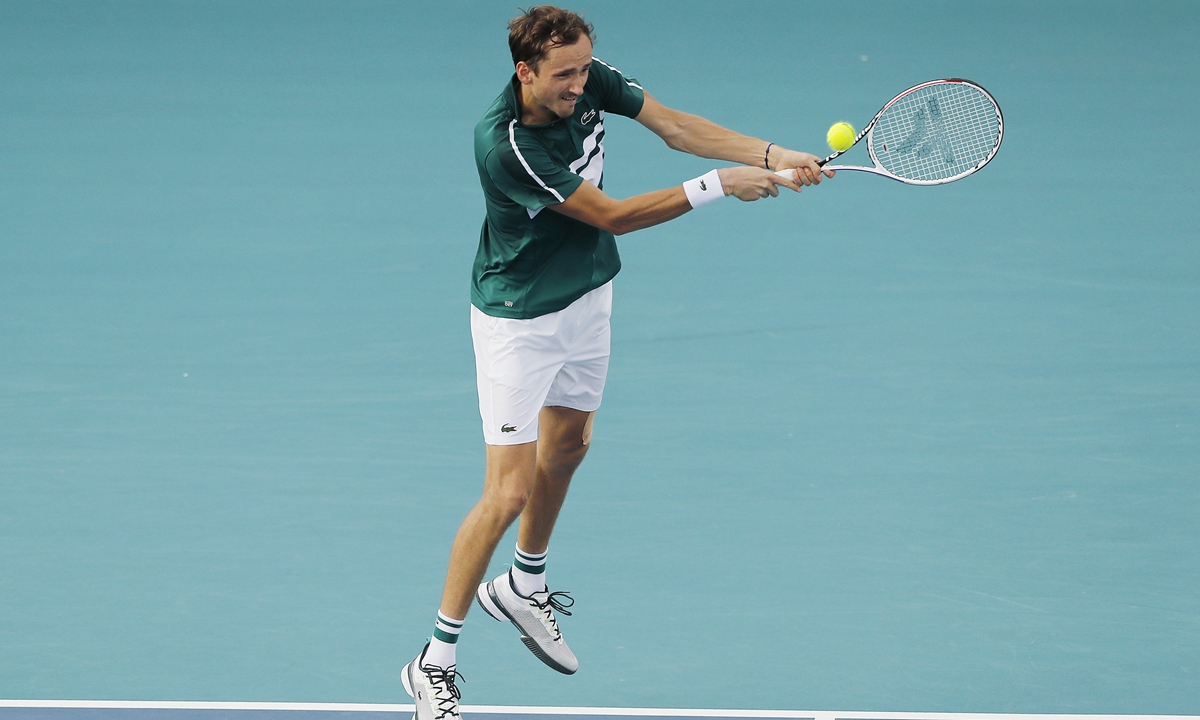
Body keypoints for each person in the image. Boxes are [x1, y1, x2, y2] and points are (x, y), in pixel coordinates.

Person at [401, 7, 832, 719]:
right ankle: (434, 658)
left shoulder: (586, 76)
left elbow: (675, 126)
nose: (580, 85)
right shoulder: (506, 145)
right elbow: (612, 214)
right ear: (525, 72)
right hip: (519, 321)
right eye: (564, 75)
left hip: (587, 297)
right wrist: (720, 185)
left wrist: (771, 155)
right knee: (505, 494)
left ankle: (523, 586)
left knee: (570, 444)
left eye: (583, 68)